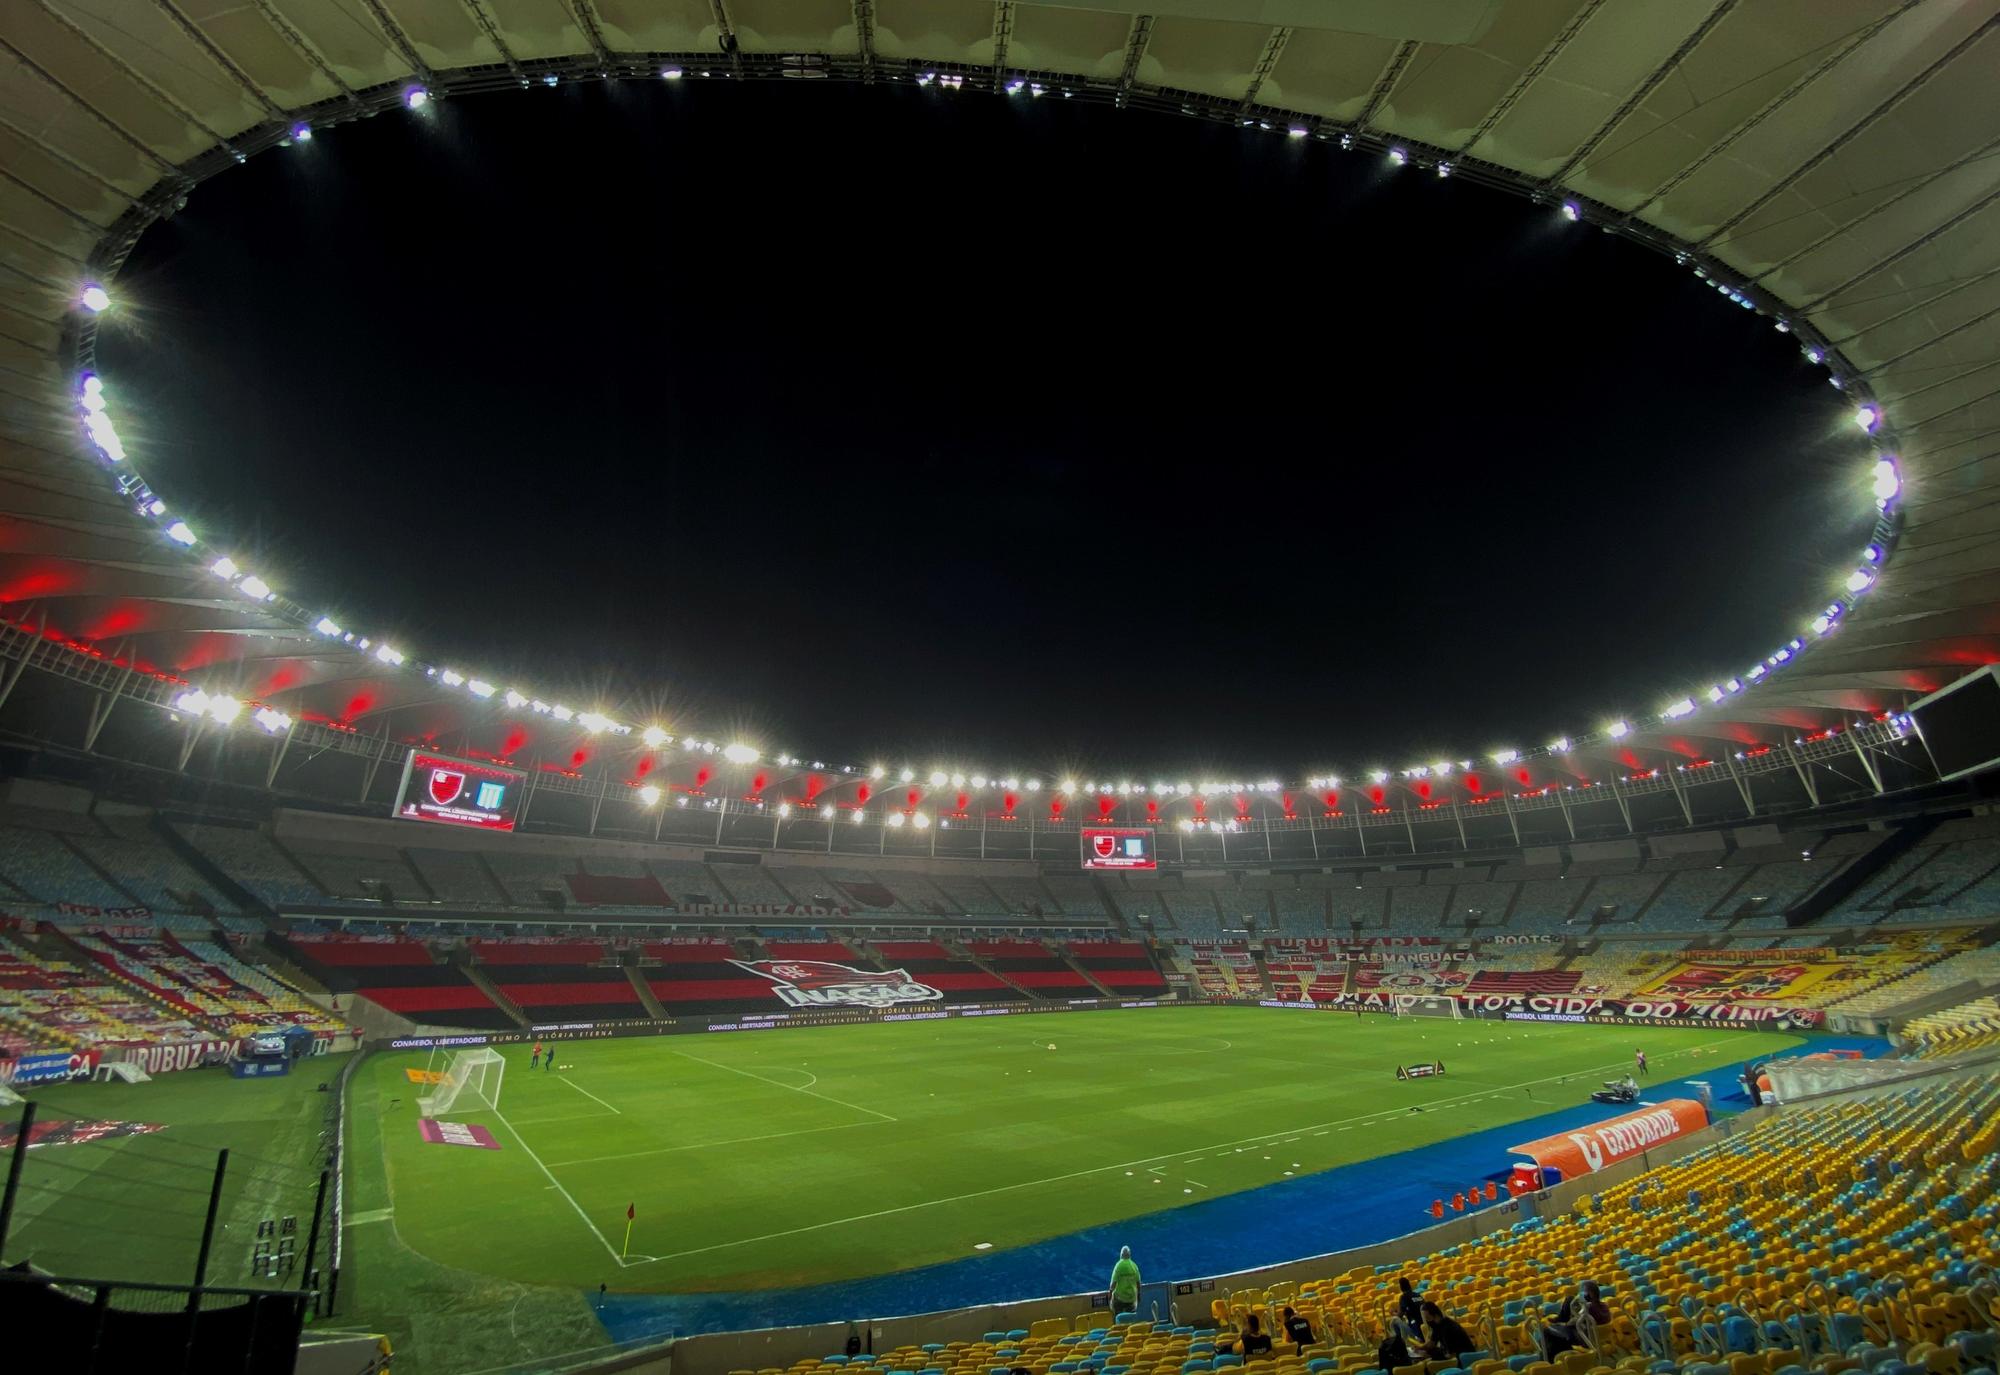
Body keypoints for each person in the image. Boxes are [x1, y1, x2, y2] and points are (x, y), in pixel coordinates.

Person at [1537, 1281, 1610, 1360]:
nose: (1581, 1294)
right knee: (1570, 1299)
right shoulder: (1604, 1306)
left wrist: (1566, 1324)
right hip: (1598, 1336)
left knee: (1547, 1330)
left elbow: (1573, 1322)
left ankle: (1548, 1359)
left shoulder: (1588, 1308)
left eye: (1583, 1292)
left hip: (1584, 1338)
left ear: (1589, 1294)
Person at [1108, 1245, 1140, 1316]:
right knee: (1130, 1317)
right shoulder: (1134, 1266)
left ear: (1121, 1255)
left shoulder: (1118, 1265)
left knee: (1114, 1305)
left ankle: (1117, 1321)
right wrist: (1138, 1296)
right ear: (1129, 1255)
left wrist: (1110, 1295)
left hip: (1120, 1299)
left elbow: (1113, 1284)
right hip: (1131, 1299)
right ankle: (1130, 1324)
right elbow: (1138, 1283)